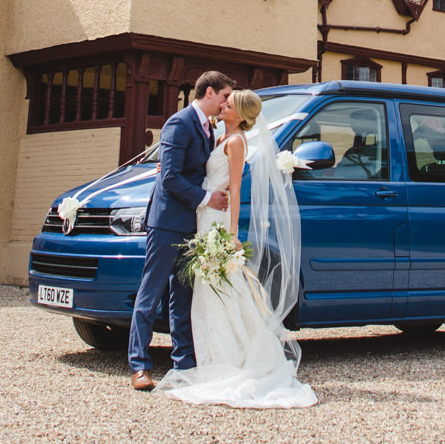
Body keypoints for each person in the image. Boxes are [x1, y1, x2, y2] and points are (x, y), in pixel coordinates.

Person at [157, 88, 317, 408]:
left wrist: (231, 234)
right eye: (224, 102)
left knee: (220, 290)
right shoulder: (218, 137)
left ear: (240, 115)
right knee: (210, 290)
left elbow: (235, 189)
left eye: (228, 104)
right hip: (203, 215)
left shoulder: (235, 143)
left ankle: (229, 358)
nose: (222, 105)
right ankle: (215, 356)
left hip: (217, 219)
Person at [128, 73, 232, 391]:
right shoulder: (179, 122)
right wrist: (207, 197)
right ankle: (139, 366)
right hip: (166, 222)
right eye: (225, 96)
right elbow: (170, 176)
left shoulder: (210, 127)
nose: (228, 102)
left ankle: (184, 363)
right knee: (151, 293)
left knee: (182, 297)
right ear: (210, 92)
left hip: (192, 225)